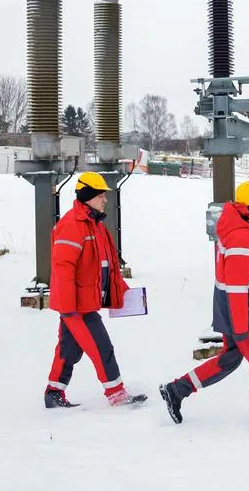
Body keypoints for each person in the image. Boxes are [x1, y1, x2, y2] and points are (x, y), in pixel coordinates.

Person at [159, 180, 249, 428]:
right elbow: (236, 287)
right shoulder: (243, 238)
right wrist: (242, 325)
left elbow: (247, 279)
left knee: (230, 359)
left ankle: (177, 390)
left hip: (239, 313)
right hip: (241, 317)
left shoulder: (241, 231)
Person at [43, 172, 146, 409]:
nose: (105, 200)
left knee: (68, 350)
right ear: (88, 196)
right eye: (101, 195)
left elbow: (107, 266)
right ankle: (116, 393)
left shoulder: (95, 225)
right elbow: (63, 269)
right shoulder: (72, 226)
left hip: (84, 302)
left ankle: (53, 392)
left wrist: (122, 292)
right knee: (101, 347)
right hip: (77, 306)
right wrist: (69, 309)